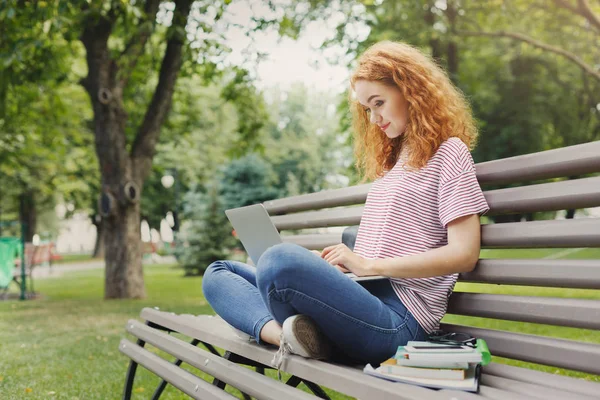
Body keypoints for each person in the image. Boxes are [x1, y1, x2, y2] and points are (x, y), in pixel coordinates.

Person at [202, 41, 489, 374]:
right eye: (367, 108)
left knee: (279, 260)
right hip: (362, 299)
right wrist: (341, 269)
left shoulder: (449, 154)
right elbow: (369, 257)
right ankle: (289, 336)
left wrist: (367, 265)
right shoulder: (391, 168)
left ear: (412, 91)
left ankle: (299, 335)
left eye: (378, 103)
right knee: (219, 273)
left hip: (399, 321)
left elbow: (464, 254)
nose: (374, 117)